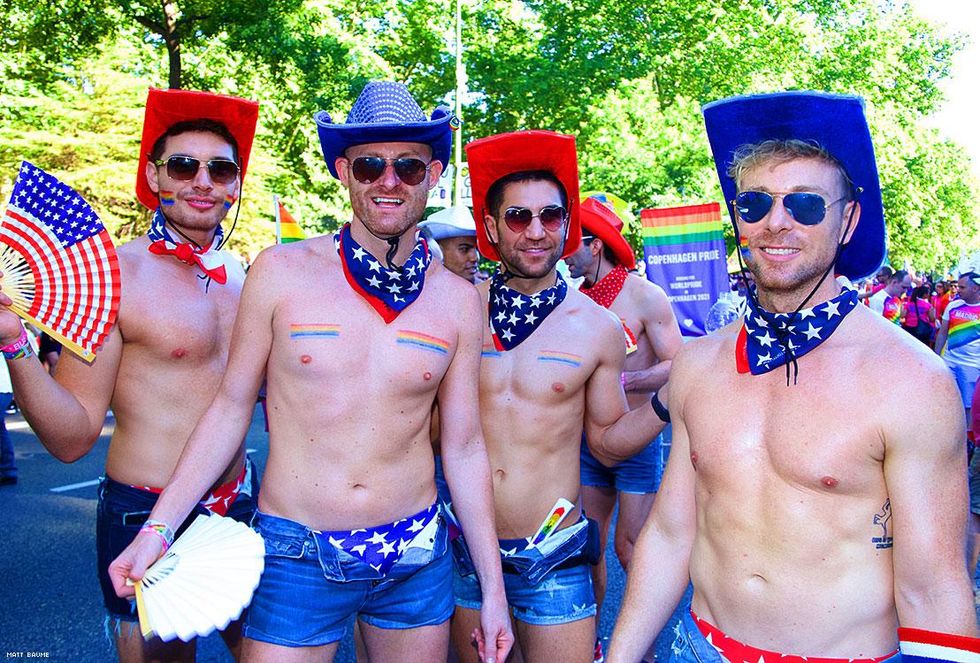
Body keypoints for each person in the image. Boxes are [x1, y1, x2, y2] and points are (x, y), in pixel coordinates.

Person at [108, 81, 512, 663]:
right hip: (295, 552)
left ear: (435, 173)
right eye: (371, 166)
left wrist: (493, 591)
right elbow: (229, 407)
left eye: (408, 167)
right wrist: (157, 529)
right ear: (345, 172)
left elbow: (466, 445)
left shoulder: (456, 300)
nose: (389, 181)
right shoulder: (280, 273)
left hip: (416, 555)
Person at [608, 91, 978, 663]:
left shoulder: (911, 381)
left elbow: (934, 587)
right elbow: (671, 533)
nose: (775, 222)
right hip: (696, 647)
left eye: (805, 204)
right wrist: (622, 655)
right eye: (754, 204)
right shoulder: (698, 364)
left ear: (848, 219)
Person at [0, 89, 258, 662]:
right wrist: (14, 342)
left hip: (239, 504)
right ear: (154, 176)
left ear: (236, 184)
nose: (202, 181)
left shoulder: (245, 278)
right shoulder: (113, 275)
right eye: (183, 166)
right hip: (145, 511)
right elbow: (71, 438)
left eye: (220, 169)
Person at [450, 130, 672, 663]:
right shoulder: (455, 309)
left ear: (568, 227)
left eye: (550, 216)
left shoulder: (597, 327)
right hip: (465, 549)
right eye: (518, 217)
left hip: (555, 552)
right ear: (490, 227)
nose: (535, 231)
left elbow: (609, 445)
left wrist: (670, 398)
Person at [564, 197, 682, 620]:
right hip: (587, 443)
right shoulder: (572, 300)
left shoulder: (645, 296)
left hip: (636, 439)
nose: (563, 250)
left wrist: (623, 379)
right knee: (589, 547)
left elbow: (677, 363)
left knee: (630, 548)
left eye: (572, 241)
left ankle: (644, 644)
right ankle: (587, 639)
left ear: (596, 245)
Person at [934, 270, 980, 430]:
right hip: (950, 361)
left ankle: (967, 438)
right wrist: (936, 358)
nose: (957, 290)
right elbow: (943, 334)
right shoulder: (953, 306)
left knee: (968, 405)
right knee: (948, 400)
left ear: (975, 288)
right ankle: (947, 431)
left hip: (972, 366)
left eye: (962, 287)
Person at [421, 206, 481, 284]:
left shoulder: (486, 293)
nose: (474, 258)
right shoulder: (420, 292)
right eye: (464, 249)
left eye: (476, 249)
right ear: (437, 252)